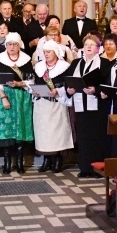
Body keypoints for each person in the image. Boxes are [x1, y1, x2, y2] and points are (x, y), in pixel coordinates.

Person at [66, 34, 109, 178]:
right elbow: (69, 81)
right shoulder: (76, 63)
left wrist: (95, 90)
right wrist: (69, 89)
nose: (89, 47)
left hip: (97, 106)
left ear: (98, 49)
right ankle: (84, 168)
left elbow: (107, 84)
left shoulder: (104, 63)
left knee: (97, 136)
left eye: (92, 45)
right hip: (80, 105)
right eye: (86, 44)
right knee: (83, 137)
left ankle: (97, 169)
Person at [0, 32, 35, 174]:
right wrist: (3, 97)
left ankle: (19, 161)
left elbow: (31, 81)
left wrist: (19, 83)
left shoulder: (26, 61)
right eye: (9, 44)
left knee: (20, 128)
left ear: (19, 46)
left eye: (15, 44)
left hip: (22, 96)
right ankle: (7, 162)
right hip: (6, 96)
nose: (12, 47)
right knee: (7, 128)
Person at [32, 40, 74, 173]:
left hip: (57, 104)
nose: (46, 54)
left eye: (49, 52)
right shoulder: (39, 67)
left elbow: (68, 86)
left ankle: (57, 159)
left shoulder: (65, 67)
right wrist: (33, 90)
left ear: (56, 52)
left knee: (56, 133)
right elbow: (34, 83)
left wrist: (58, 91)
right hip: (41, 104)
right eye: (44, 52)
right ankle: (46, 160)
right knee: (43, 133)